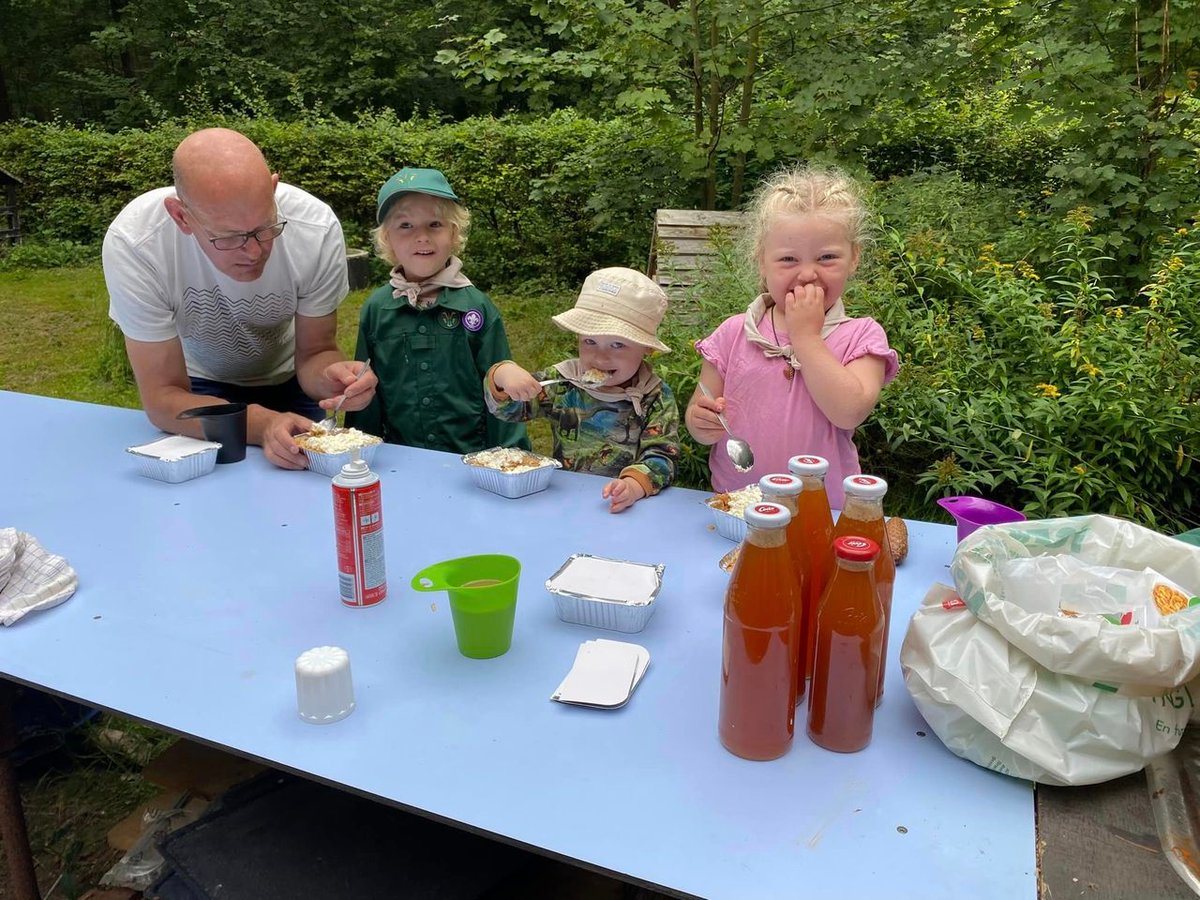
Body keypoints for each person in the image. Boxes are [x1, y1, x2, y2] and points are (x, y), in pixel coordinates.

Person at [103, 127, 377, 470]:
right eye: (230, 237)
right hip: (197, 388)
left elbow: (316, 352)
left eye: (265, 227)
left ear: (274, 190)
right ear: (181, 217)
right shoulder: (137, 243)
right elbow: (163, 398)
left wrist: (333, 377)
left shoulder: (316, 229)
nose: (254, 251)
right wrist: (262, 425)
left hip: (292, 377)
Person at [684, 165, 899, 509]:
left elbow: (849, 412)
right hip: (736, 503)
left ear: (854, 258)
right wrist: (700, 422)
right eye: (788, 259)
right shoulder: (734, 333)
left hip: (822, 510)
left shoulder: (861, 335)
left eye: (827, 257)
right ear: (762, 262)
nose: (808, 273)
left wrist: (807, 338)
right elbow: (701, 407)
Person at [346, 168, 529, 454]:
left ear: (454, 234)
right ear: (387, 238)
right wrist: (359, 452)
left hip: (471, 462)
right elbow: (364, 393)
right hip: (400, 462)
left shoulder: (477, 308)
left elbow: (503, 389)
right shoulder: (376, 310)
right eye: (405, 225)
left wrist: (513, 455)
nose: (422, 237)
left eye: (434, 224)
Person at [484, 267, 681, 514]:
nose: (600, 356)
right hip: (564, 501)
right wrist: (502, 375)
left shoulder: (655, 396)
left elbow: (663, 456)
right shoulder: (564, 381)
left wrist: (634, 485)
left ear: (646, 349)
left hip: (627, 507)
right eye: (590, 341)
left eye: (618, 344)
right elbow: (510, 410)